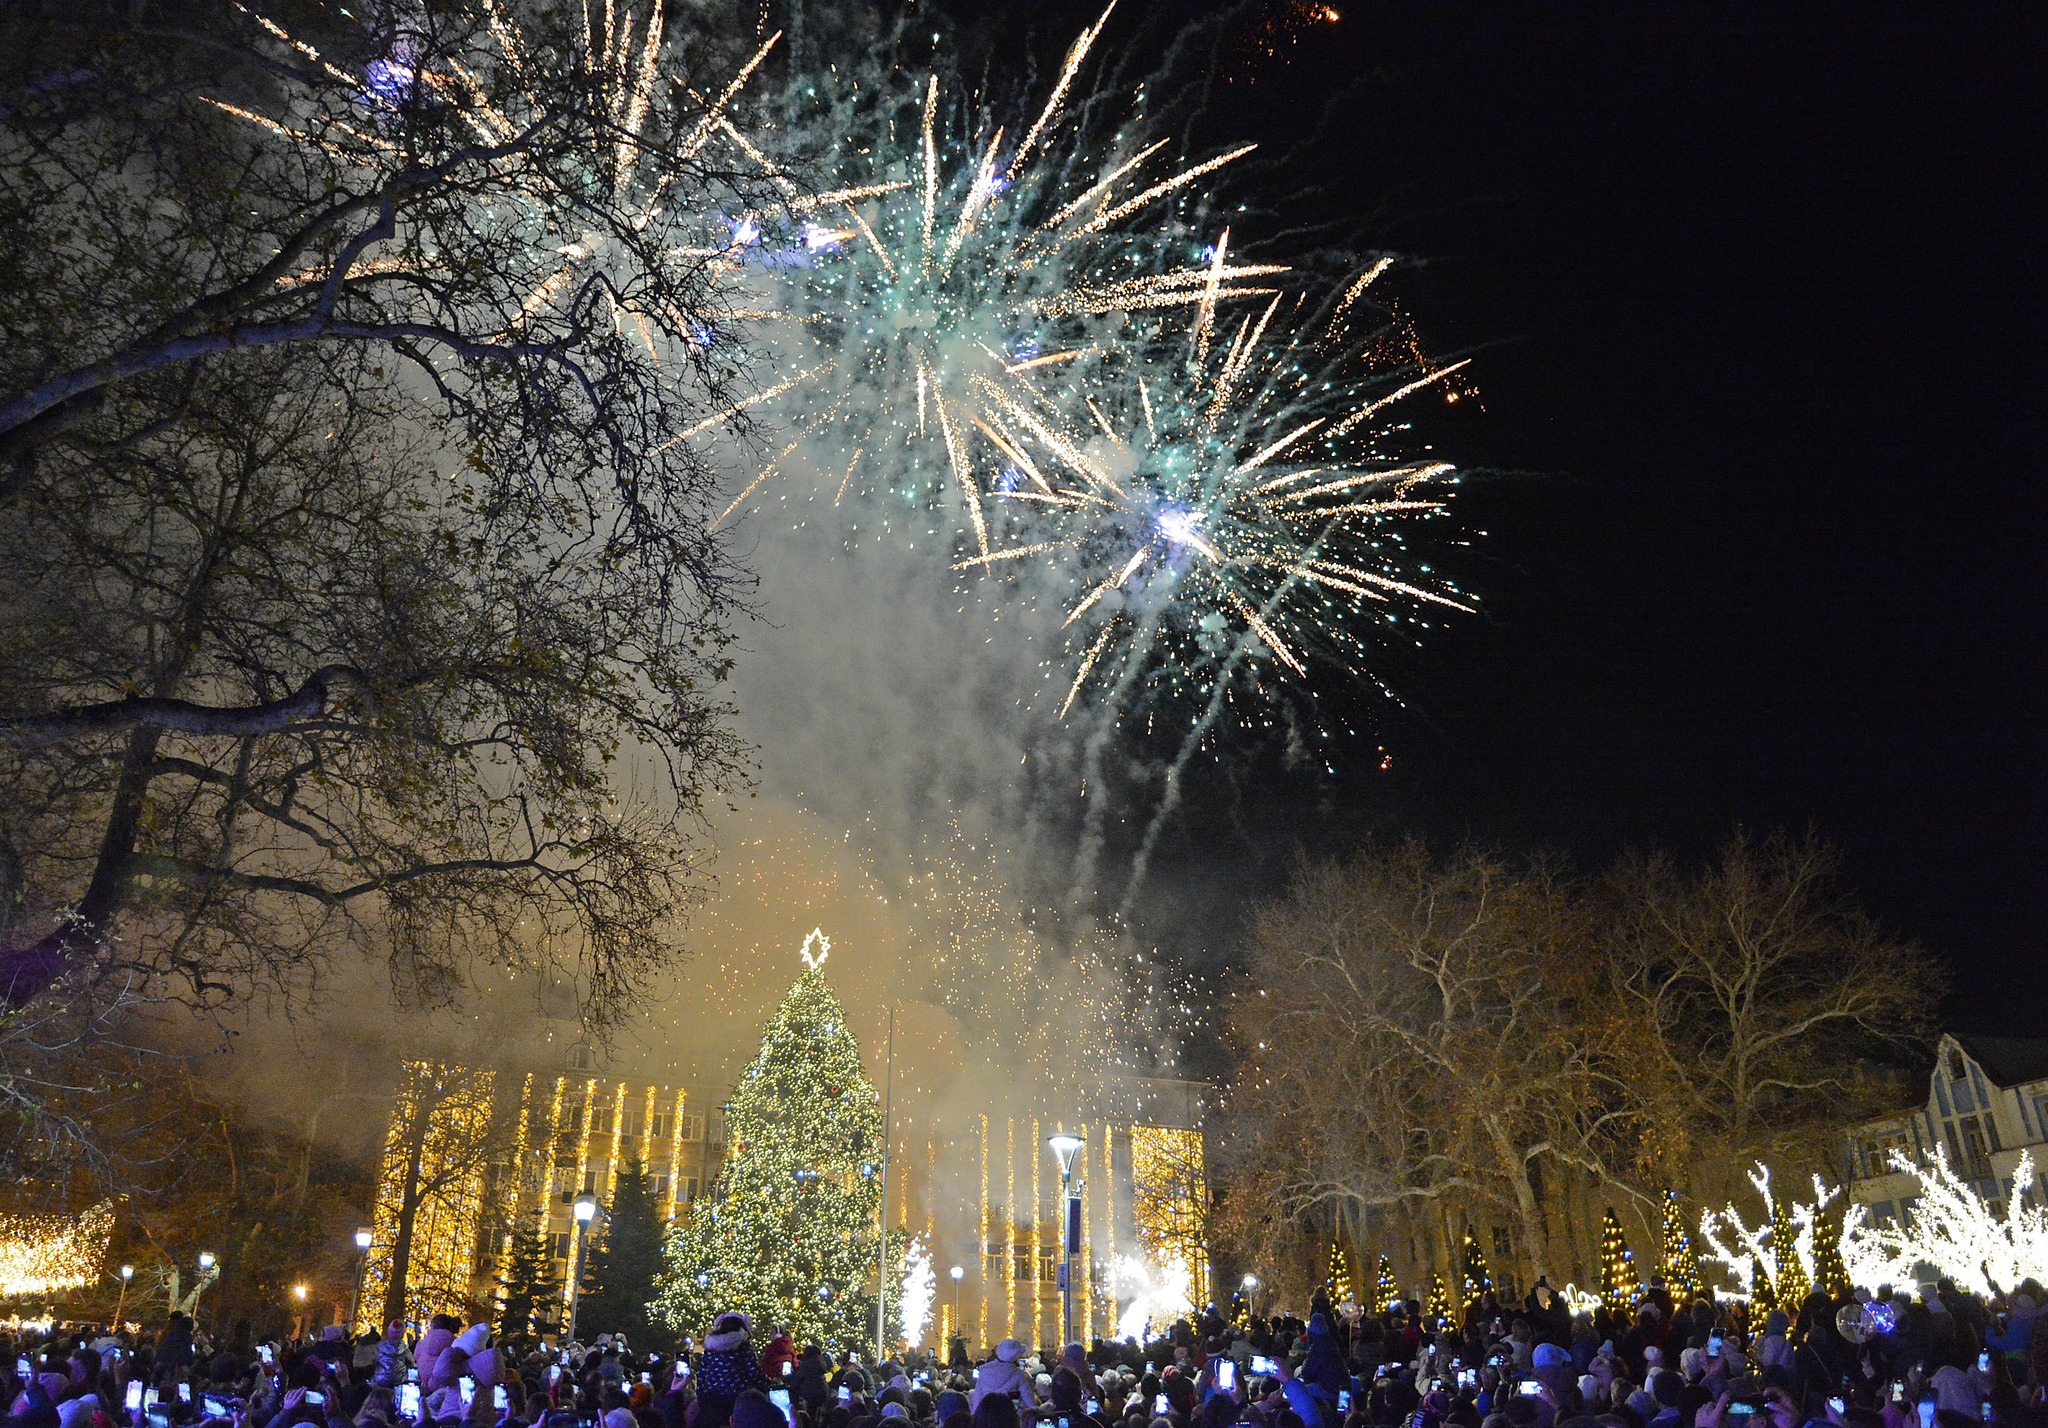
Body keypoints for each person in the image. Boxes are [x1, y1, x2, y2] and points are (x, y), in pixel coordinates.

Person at [972, 1342, 1037, 1411]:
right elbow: (1029, 1400)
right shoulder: (1018, 1374)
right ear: (1015, 1357)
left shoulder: (983, 1372)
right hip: (1009, 1415)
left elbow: (977, 1398)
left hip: (987, 1415)